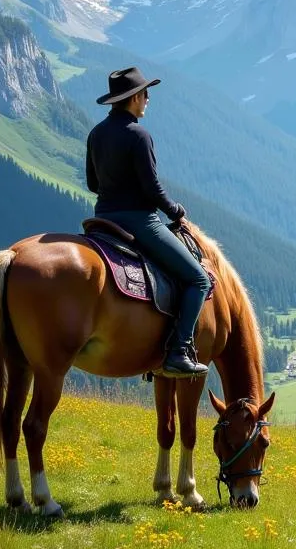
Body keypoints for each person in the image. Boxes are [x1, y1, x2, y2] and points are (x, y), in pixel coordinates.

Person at [85, 67, 211, 379]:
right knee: (198, 279)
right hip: (139, 222)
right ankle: (179, 350)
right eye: (144, 93)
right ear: (132, 98)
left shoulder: (96, 134)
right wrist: (176, 211)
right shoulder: (139, 135)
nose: (148, 99)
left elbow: (91, 182)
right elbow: (152, 190)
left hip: (102, 220)